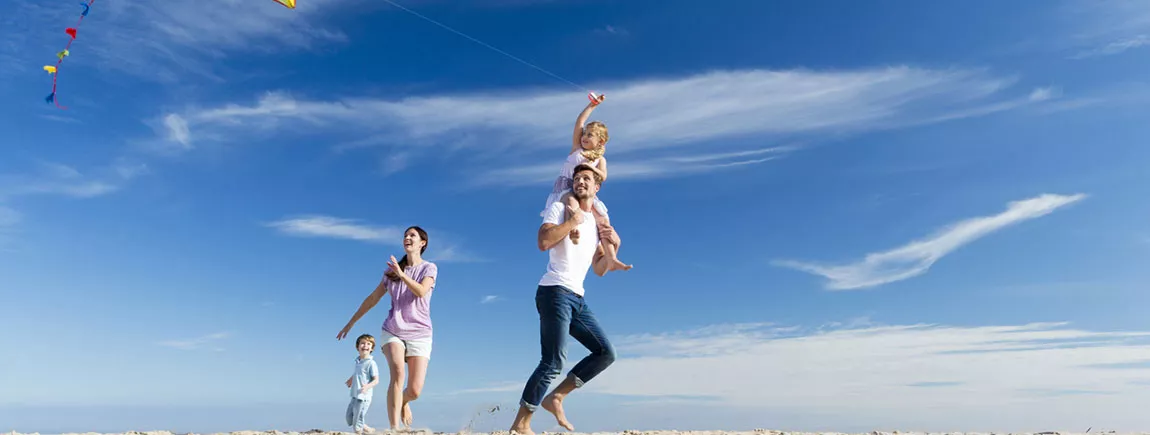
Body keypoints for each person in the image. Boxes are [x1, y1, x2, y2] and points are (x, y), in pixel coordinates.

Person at [511, 163, 622, 435]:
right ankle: (520, 424)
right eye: (577, 178)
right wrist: (572, 222)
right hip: (554, 291)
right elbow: (543, 241)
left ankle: (556, 397)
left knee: (606, 353)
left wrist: (614, 248)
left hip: (577, 298)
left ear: (597, 187)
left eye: (587, 178)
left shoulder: (597, 225)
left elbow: (598, 270)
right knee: (552, 361)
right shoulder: (561, 209)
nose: (580, 181)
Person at [337, 226, 439, 430]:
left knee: (415, 390)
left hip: (420, 333)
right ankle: (394, 429)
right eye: (405, 235)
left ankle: (403, 402)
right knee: (398, 373)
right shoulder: (390, 273)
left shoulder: (429, 268)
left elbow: (420, 291)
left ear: (422, 243)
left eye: (412, 235)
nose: (407, 238)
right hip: (393, 330)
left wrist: (402, 274)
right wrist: (351, 322)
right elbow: (373, 299)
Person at [541, 93, 632, 272]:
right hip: (568, 186)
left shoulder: (600, 160)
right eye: (585, 134)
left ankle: (612, 257)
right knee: (570, 203)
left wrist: (590, 169)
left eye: (590, 135)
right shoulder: (577, 149)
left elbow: (603, 176)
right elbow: (579, 123)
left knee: (602, 219)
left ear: (601, 141)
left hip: (585, 191)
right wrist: (592, 105)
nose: (585, 137)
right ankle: (573, 231)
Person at [345, 334, 380, 434]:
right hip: (355, 395)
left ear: (371, 348)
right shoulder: (358, 361)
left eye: (368, 344)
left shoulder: (371, 363)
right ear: (357, 347)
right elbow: (358, 373)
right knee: (349, 419)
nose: (365, 345)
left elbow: (376, 380)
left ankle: (359, 431)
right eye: (362, 343)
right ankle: (369, 430)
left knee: (357, 424)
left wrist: (367, 387)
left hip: (363, 397)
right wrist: (351, 379)